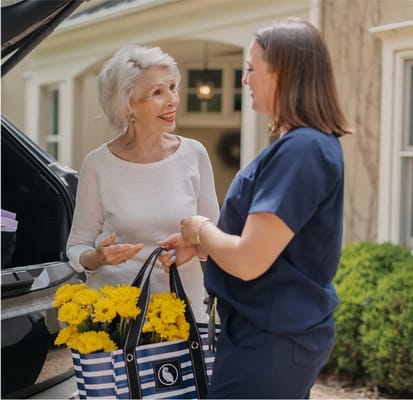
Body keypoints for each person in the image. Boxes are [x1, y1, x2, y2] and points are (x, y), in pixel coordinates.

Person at [159, 17, 351, 399]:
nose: (245, 80)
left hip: (272, 342)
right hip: (270, 334)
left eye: (250, 69)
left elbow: (249, 260)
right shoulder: (306, 145)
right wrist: (202, 249)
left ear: (281, 72)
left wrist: (200, 229)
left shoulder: (302, 150)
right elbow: (277, 250)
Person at [66, 44, 220, 322]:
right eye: (157, 93)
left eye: (173, 87)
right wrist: (98, 258)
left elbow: (215, 239)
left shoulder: (193, 154)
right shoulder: (98, 164)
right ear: (127, 106)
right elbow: (77, 247)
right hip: (118, 321)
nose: (172, 99)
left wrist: (196, 247)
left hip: (183, 315)